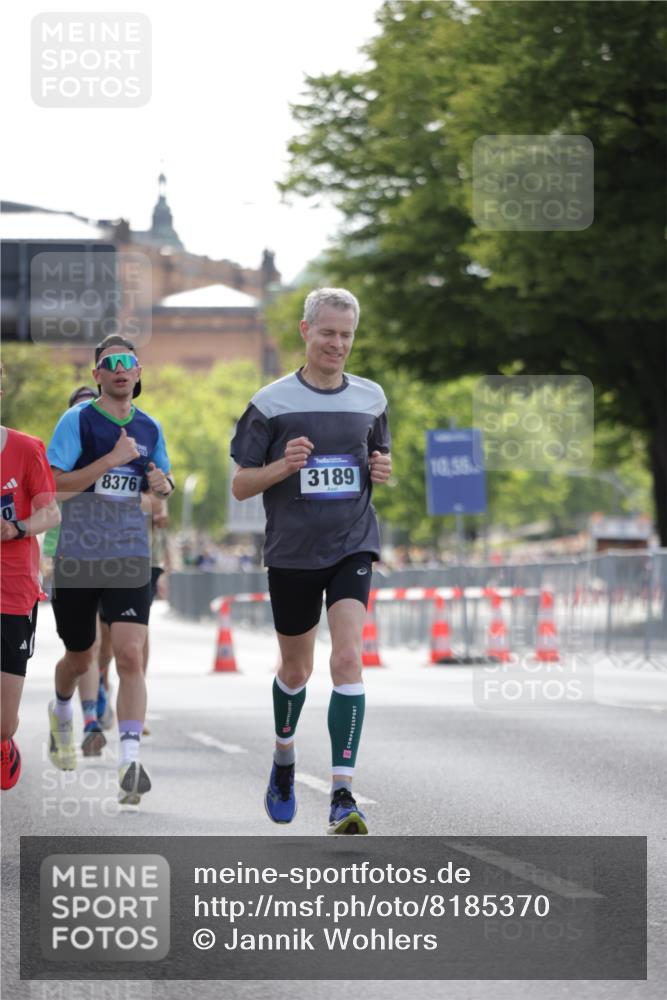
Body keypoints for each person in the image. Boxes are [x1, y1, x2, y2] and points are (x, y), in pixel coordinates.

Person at [231, 287, 391, 835]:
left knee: (347, 659)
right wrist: (282, 467)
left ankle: (343, 795)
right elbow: (239, 485)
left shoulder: (372, 398)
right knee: (296, 669)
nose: (337, 344)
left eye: (346, 335)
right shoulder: (270, 403)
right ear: (305, 332)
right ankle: (283, 761)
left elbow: (374, 458)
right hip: (293, 553)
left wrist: (381, 469)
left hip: (353, 543)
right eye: (327, 333)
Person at [46, 335, 174, 805]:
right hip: (78, 555)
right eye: (110, 363)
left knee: (130, 656)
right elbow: (56, 486)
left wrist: (163, 484)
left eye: (129, 362)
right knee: (81, 657)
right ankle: (61, 708)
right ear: (97, 374)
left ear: (139, 373)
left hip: (128, 554)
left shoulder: (150, 426)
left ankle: (129, 759)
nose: (120, 369)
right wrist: (110, 460)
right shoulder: (76, 420)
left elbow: (161, 483)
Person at [1, 366, 61, 790]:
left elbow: (51, 512)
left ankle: (4, 742)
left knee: (3, 722)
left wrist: (18, 527)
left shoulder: (24, 449)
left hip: (11, 592)